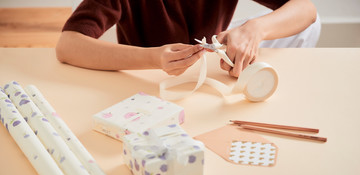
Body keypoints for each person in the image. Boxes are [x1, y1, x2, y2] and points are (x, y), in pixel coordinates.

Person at [56, 0, 318, 78]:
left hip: (208, 57)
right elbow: (68, 45)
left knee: (310, 25)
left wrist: (255, 29)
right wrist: (153, 57)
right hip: (150, 71)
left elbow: (307, 9)